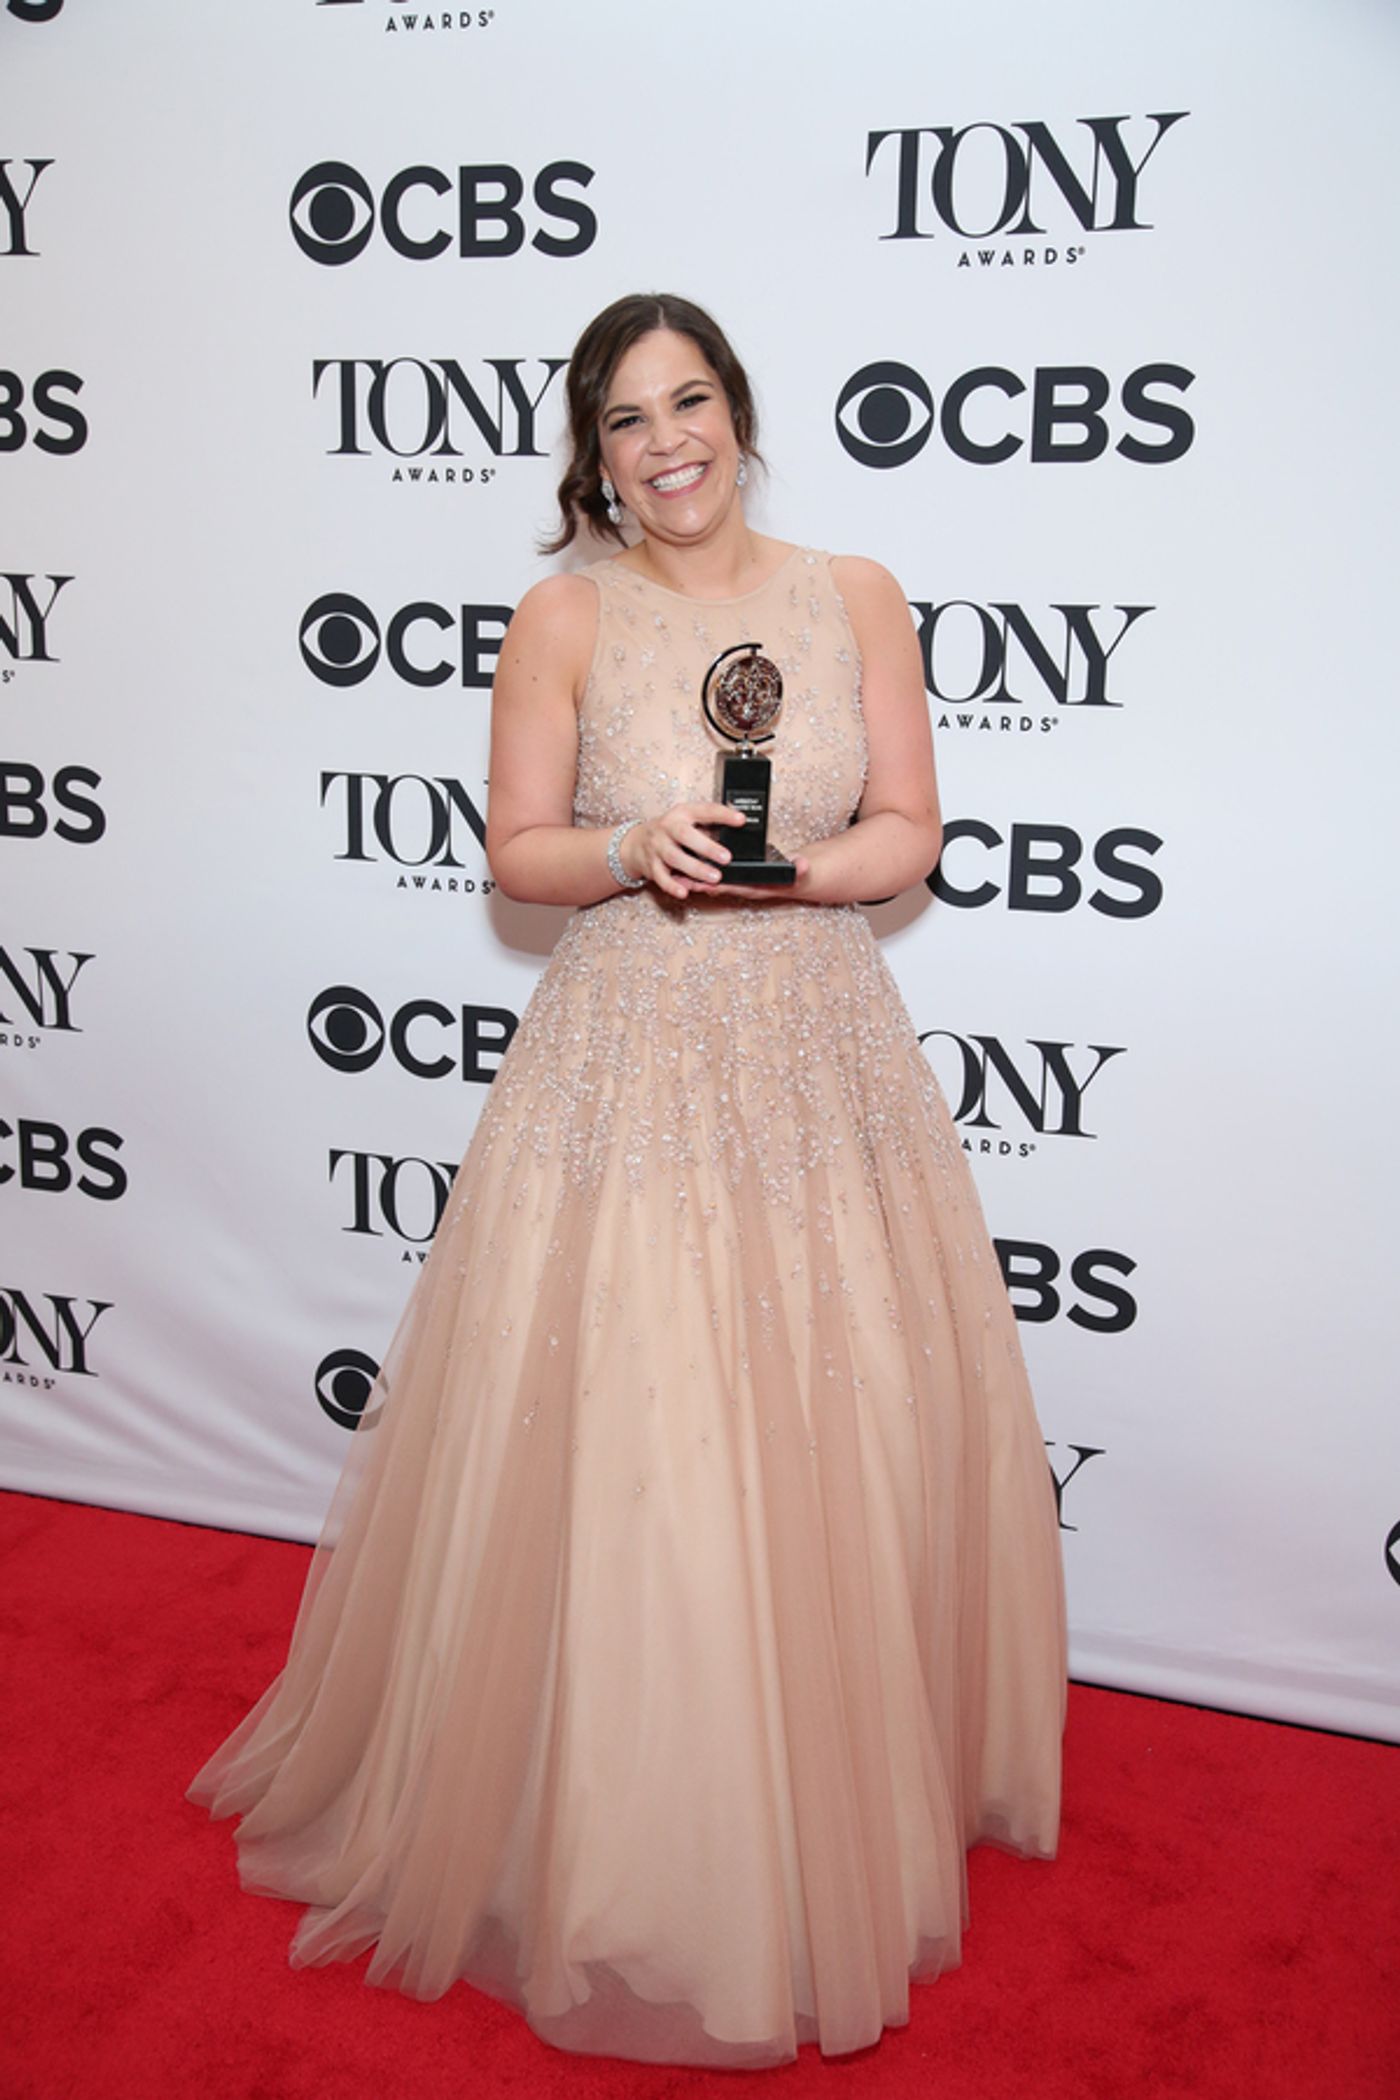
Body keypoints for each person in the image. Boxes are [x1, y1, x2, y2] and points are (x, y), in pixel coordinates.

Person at [188, 292, 1067, 2069]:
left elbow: (914, 826)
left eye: (689, 403)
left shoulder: (860, 594)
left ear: (739, 410)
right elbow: (519, 862)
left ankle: (836, 1787)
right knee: (643, 1440)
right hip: (629, 1060)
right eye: (624, 421)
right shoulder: (566, 617)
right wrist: (626, 847)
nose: (667, 443)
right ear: (592, 455)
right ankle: (635, 1822)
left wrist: (803, 874)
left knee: (845, 1422)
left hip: (819, 1049)